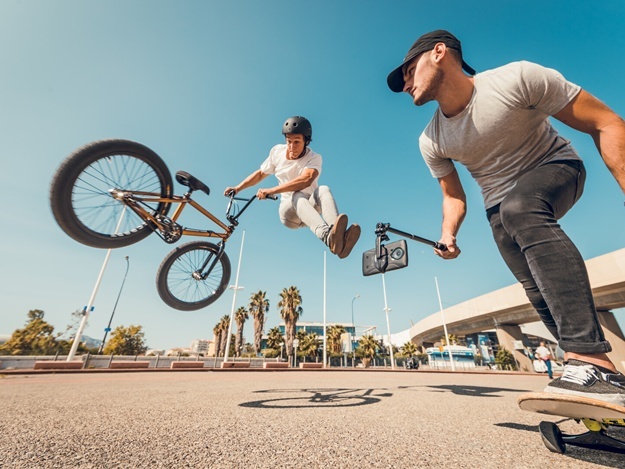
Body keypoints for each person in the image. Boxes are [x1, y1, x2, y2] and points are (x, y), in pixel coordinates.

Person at [387, 30, 625, 404]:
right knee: (535, 286)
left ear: (439, 53)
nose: (404, 85)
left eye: (408, 71)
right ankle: (590, 383)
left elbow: (606, 123)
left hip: (555, 166)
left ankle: (592, 362)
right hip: (498, 205)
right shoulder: (431, 140)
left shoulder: (517, 79)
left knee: (521, 210)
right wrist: (448, 233)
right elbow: (453, 196)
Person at [224, 116, 360, 258]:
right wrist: (238, 188)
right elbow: (260, 174)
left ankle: (337, 237)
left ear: (306, 142)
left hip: (310, 210)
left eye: (297, 142)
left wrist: (271, 190)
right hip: (289, 213)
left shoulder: (314, 158)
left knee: (323, 189)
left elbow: (306, 180)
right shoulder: (277, 152)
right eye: (289, 141)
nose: (291, 147)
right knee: (297, 195)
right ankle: (328, 236)